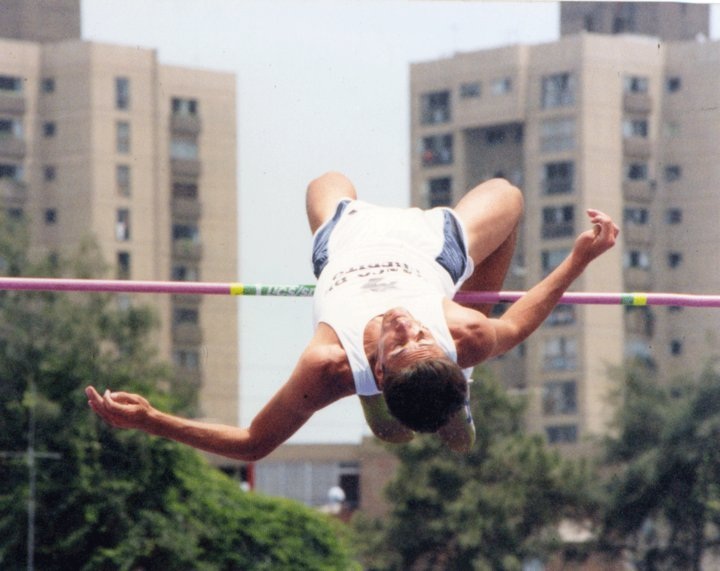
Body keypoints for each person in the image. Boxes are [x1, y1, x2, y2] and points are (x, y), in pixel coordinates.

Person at [86, 173, 619, 460]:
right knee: (508, 196)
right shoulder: (464, 332)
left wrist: (152, 421)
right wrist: (579, 258)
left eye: (403, 340)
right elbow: (521, 322)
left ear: (378, 372)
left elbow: (253, 444)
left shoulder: (328, 365)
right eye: (422, 337)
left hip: (347, 240)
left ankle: (412, 405)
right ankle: (457, 392)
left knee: (325, 182)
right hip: (428, 245)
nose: (406, 322)